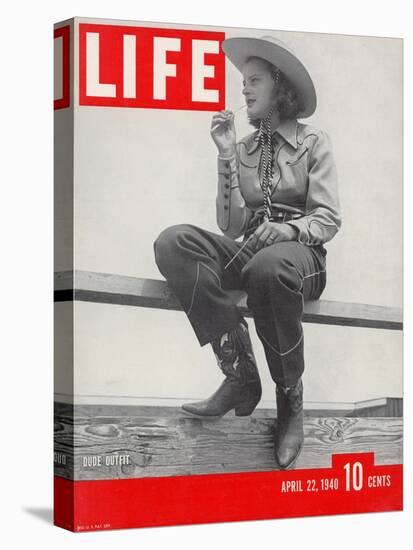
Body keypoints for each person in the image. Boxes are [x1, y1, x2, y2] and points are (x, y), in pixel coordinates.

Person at [153, 35, 341, 470]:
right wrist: (225, 156)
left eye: (254, 81)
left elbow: (328, 220)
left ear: (280, 88)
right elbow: (232, 225)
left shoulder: (315, 142)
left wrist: (287, 228)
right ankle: (240, 373)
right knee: (173, 242)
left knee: (268, 266)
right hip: (250, 249)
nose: (244, 90)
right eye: (243, 83)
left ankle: (289, 399)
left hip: (301, 257)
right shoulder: (245, 148)